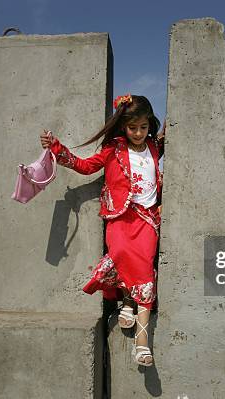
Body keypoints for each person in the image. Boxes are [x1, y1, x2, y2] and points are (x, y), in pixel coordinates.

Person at [40, 94, 165, 367]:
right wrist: (56, 148)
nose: (138, 133)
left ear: (149, 125)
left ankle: (141, 342)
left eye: (143, 127)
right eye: (133, 127)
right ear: (123, 126)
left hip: (147, 219)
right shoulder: (114, 150)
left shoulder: (155, 146)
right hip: (120, 218)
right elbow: (85, 167)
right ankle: (127, 303)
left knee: (144, 269)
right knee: (120, 257)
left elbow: (168, 136)